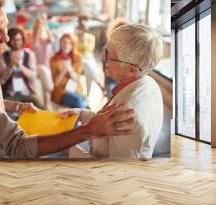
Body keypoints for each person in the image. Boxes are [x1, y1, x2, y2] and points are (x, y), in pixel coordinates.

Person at [0, 0, 136, 159]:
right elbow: (16, 146)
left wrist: (17, 107)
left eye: (6, 28)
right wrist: (89, 131)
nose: (8, 39)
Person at [62, 24, 163, 160]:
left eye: (109, 55)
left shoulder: (127, 115)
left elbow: (116, 171)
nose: (104, 59)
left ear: (131, 70)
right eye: (106, 50)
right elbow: (107, 122)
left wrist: (71, 149)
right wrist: (82, 114)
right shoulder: (149, 83)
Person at [0, 27, 45, 109]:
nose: (17, 42)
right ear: (9, 41)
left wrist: (20, 66)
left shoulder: (29, 54)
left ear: (22, 40)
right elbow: (1, 81)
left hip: (27, 93)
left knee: (42, 108)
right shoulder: (2, 57)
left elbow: (33, 76)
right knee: (9, 117)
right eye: (14, 40)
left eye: (19, 39)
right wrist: (10, 66)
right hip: (10, 95)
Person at [50, 33, 85, 108]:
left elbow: (77, 80)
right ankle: (85, 118)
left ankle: (82, 117)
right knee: (78, 101)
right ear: (60, 43)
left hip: (76, 89)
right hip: (61, 92)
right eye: (64, 42)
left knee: (80, 100)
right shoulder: (54, 59)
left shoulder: (78, 57)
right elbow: (56, 83)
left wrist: (69, 69)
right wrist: (64, 70)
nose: (66, 45)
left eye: (70, 43)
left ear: (73, 45)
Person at [75, 16, 104, 96]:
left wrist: (82, 39)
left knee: (89, 75)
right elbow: (75, 48)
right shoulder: (76, 37)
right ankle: (100, 85)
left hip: (88, 58)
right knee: (89, 73)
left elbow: (89, 48)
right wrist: (79, 39)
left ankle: (88, 94)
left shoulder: (90, 37)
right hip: (80, 59)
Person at [32, 14, 54, 109]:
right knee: (45, 74)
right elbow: (36, 44)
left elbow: (52, 39)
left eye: (45, 19)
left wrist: (46, 26)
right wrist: (40, 26)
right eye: (42, 18)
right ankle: (47, 104)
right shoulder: (35, 37)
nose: (43, 20)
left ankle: (47, 103)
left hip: (47, 65)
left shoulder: (47, 38)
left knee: (46, 76)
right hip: (37, 66)